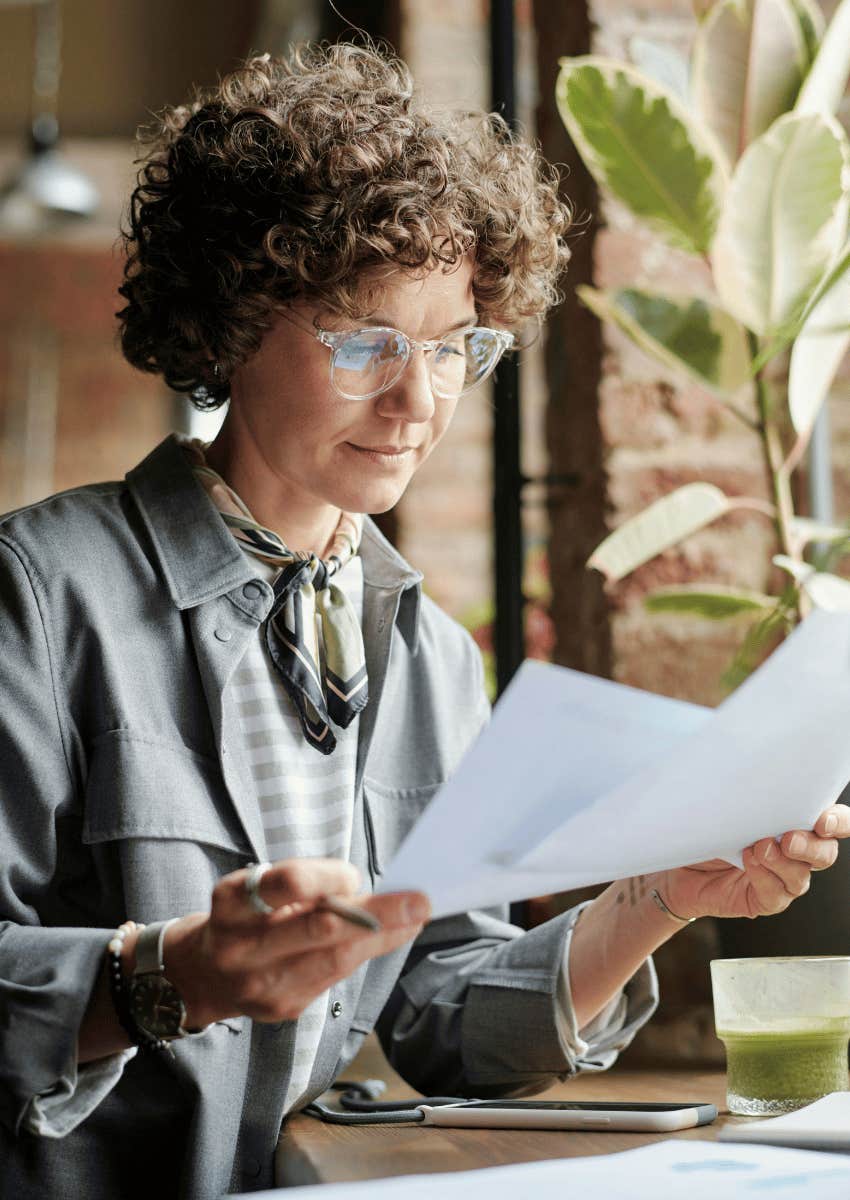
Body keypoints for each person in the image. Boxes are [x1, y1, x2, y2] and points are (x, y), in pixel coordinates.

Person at [0, 42, 846, 1200]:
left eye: (456, 348)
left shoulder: (424, 651)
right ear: (230, 323)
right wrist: (175, 973)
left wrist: (660, 896)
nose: (418, 401)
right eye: (365, 344)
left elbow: (442, 1010)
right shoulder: (40, 594)